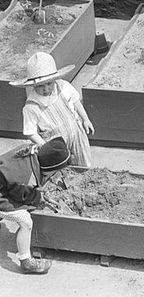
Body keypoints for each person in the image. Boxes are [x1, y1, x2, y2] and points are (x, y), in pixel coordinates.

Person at [0, 136, 71, 274]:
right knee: (26, 221)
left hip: (3, 182)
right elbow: (21, 196)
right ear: (50, 167)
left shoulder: (31, 150)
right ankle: (26, 261)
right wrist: (39, 197)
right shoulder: (26, 178)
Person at [12, 52, 93, 167]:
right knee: (62, 169)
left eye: (49, 83)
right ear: (32, 86)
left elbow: (75, 101)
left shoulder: (63, 87)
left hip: (76, 134)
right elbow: (30, 132)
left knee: (82, 163)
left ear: (55, 79)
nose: (46, 89)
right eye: (40, 86)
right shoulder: (32, 106)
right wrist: (45, 146)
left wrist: (85, 119)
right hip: (54, 144)